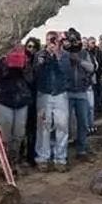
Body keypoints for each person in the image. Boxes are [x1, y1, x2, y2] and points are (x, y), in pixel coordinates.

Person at [34, 31, 70, 172]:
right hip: (44, 94)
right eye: (49, 40)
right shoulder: (40, 55)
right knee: (43, 126)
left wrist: (57, 55)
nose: (52, 43)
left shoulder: (64, 55)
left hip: (60, 94)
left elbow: (66, 72)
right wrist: (43, 60)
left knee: (62, 126)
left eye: (54, 40)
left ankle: (60, 159)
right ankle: (43, 158)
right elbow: (36, 73)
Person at [0, 45, 32, 167]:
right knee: (6, 133)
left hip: (21, 98)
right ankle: (5, 161)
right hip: (4, 97)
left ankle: (14, 160)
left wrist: (25, 64)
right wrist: (3, 63)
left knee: (19, 133)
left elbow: (30, 78)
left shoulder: (25, 55)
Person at [63, 28, 94, 162]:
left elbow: (92, 68)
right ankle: (62, 151)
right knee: (65, 123)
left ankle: (81, 149)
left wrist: (79, 61)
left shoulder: (84, 53)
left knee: (83, 122)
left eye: (76, 39)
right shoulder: (63, 54)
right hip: (66, 91)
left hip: (81, 91)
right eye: (71, 40)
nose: (74, 43)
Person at [23, 37, 40, 167]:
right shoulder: (23, 61)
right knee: (22, 129)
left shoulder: (38, 61)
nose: (31, 49)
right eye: (29, 46)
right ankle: (21, 155)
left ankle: (31, 155)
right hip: (24, 97)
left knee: (32, 129)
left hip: (35, 98)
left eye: (33, 47)